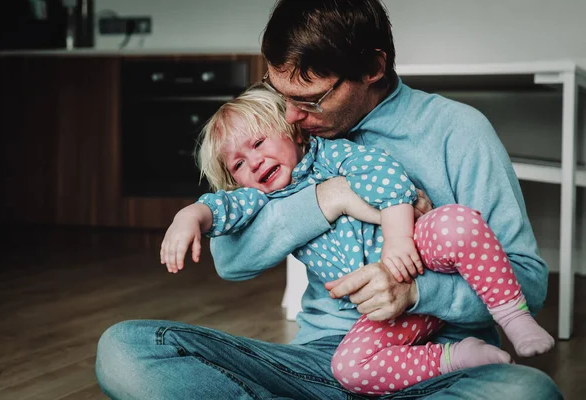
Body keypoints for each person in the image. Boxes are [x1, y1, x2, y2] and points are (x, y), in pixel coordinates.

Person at [95, 1, 562, 398]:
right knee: (128, 349)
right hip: (321, 363)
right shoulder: (278, 133)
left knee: (526, 392)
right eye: (283, 96)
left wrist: (416, 292)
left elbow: (529, 283)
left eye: (312, 100)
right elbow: (232, 259)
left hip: (438, 365)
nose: (293, 116)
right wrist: (329, 197)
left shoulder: (457, 130)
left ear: (373, 68)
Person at [159, 84, 552, 395]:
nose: (296, 110)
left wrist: (406, 266)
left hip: (419, 259)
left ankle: (512, 321)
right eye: (238, 164)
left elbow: (388, 180)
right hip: (341, 348)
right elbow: (226, 238)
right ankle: (457, 359)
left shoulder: (329, 154)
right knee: (133, 347)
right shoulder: (260, 194)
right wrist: (188, 216)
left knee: (458, 225)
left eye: (259, 144)